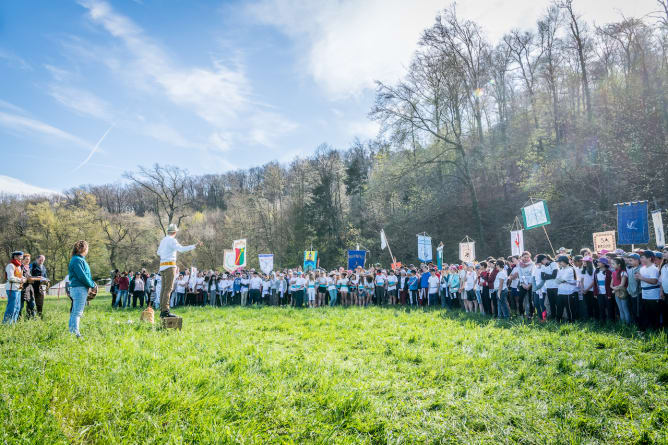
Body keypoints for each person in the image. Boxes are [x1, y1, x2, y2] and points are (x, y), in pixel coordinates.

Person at [156, 224, 200, 318]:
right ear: (175, 232)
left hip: (162, 266)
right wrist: (194, 246)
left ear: (168, 231)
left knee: (163, 289)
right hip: (170, 266)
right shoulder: (172, 240)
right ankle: (165, 311)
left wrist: (165, 254)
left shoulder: (163, 240)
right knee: (168, 289)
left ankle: (162, 310)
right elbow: (182, 249)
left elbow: (158, 252)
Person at [67, 240, 96, 338]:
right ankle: (76, 334)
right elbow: (82, 276)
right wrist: (91, 284)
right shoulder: (77, 260)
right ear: (83, 249)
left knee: (75, 312)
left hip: (79, 288)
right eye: (87, 248)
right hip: (79, 288)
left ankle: (71, 332)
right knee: (78, 313)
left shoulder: (79, 259)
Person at [636, 250, 661, 330]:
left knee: (654, 313)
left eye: (642, 257)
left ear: (649, 258)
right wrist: (638, 278)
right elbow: (642, 280)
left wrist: (641, 278)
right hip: (644, 293)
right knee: (645, 312)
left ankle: (656, 330)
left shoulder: (653, 268)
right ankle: (646, 329)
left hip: (653, 294)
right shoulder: (642, 268)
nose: (641, 259)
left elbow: (654, 281)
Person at [3, 251, 26, 324]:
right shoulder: (10, 265)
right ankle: (6, 324)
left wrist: (24, 278)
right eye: (20, 258)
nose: (21, 260)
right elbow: (10, 278)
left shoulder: (18, 266)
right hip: (11, 289)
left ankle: (14, 323)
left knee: (17, 307)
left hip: (18, 289)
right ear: (15, 257)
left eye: (21, 258)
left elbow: (19, 275)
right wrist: (21, 280)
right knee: (12, 308)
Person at [555, 256, 577, 322]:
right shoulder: (560, 270)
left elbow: (562, 280)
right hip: (560, 291)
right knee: (559, 307)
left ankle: (571, 321)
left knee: (569, 308)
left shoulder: (570, 269)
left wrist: (560, 280)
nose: (559, 263)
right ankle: (558, 321)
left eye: (560, 262)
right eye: (558, 262)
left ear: (565, 261)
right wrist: (560, 280)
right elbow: (556, 281)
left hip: (568, 292)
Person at [611, 258, 630, 324]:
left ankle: (628, 324)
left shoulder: (623, 272)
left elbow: (622, 284)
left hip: (623, 293)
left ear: (619, 264)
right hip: (617, 292)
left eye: (613, 264)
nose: (611, 265)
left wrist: (614, 290)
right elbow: (611, 284)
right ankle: (622, 324)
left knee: (625, 309)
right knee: (620, 309)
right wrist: (613, 288)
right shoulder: (613, 272)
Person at [594, 257, 613, 323]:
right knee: (601, 308)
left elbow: (611, 283)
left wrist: (609, 294)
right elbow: (595, 283)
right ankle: (602, 321)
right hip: (599, 293)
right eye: (598, 262)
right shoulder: (596, 272)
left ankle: (611, 321)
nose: (598, 263)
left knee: (609, 308)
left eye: (600, 262)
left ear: (604, 264)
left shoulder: (609, 272)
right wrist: (595, 293)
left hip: (607, 293)